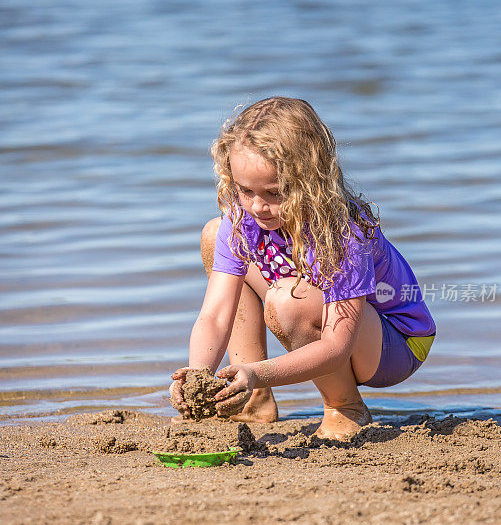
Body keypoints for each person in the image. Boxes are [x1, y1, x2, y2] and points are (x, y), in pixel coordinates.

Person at [169, 97, 436, 440]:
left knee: (288, 301)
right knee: (215, 233)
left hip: (395, 343)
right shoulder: (243, 216)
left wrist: (258, 372)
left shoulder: (340, 232)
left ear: (310, 181)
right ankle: (251, 401)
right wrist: (198, 376)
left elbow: (337, 345)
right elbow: (216, 315)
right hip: (318, 312)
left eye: (275, 192)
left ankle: (344, 406)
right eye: (245, 190)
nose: (257, 206)